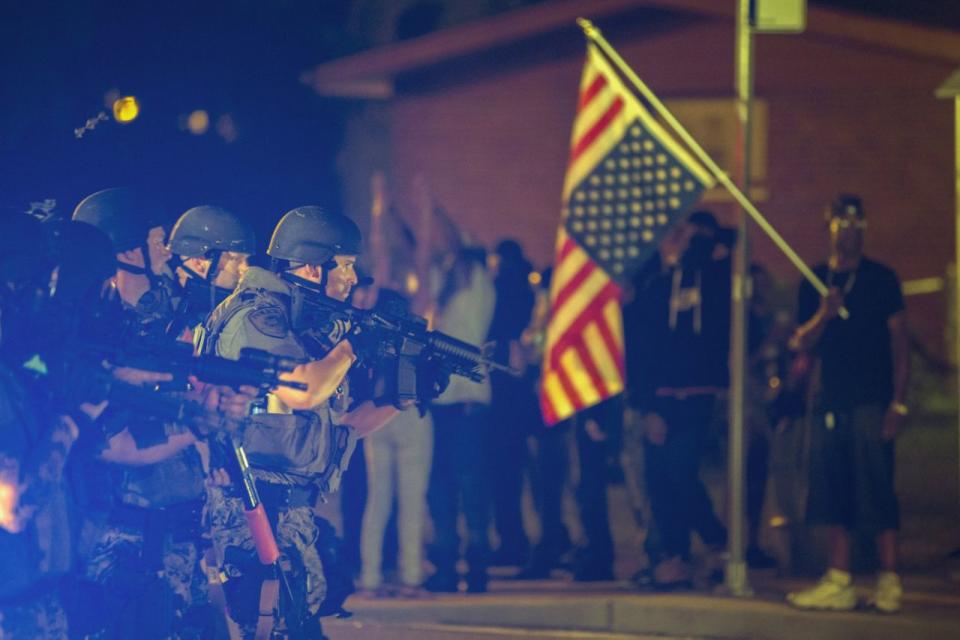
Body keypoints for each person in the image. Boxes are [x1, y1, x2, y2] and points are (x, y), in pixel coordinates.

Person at [200, 206, 401, 637]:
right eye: (345, 265)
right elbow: (303, 390)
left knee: (299, 622)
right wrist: (350, 348)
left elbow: (338, 424)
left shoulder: (295, 322)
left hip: (288, 508)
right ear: (312, 266)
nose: (352, 277)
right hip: (255, 504)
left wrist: (404, 395)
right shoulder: (258, 315)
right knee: (277, 624)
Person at [68, 189, 236, 639]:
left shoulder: (177, 309)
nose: (168, 249)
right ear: (126, 250)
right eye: (158, 239)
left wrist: (212, 454)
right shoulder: (92, 326)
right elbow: (105, 437)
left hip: (179, 510)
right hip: (117, 521)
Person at [786, 194, 909, 613]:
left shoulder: (881, 279)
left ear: (865, 228)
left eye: (858, 222)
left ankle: (889, 579)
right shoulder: (815, 280)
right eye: (842, 221)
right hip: (830, 402)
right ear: (830, 226)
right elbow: (800, 343)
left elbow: (900, 346)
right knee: (833, 489)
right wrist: (824, 312)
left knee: (876, 488)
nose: (850, 229)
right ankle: (839, 579)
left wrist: (898, 404)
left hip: (872, 401)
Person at [623, 210, 731, 590]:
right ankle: (676, 558)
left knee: (682, 471)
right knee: (660, 478)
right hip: (659, 396)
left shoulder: (710, 276)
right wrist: (648, 405)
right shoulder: (652, 284)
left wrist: (700, 244)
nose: (675, 237)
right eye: (668, 231)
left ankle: (717, 542)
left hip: (697, 394)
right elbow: (640, 349)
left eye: (680, 231)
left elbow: (727, 262)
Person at [425, 247, 496, 593]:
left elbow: (450, 238)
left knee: (471, 488)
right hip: (441, 401)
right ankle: (448, 565)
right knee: (441, 488)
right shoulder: (443, 292)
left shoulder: (479, 286)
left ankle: (479, 565)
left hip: (468, 401)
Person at [485, 239, 536, 567]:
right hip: (519, 399)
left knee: (504, 478)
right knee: (518, 479)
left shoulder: (501, 296)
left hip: (502, 398)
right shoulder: (528, 295)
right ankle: (518, 542)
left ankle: (513, 542)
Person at [166, 204, 256, 341]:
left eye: (246, 260)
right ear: (199, 263)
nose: (245, 268)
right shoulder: (165, 317)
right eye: (237, 259)